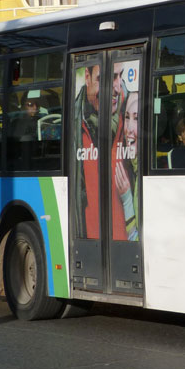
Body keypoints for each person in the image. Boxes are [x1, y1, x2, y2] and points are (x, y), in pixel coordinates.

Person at [74, 64, 101, 239]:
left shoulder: (126, 110)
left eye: (118, 77)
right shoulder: (74, 117)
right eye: (100, 79)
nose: (111, 89)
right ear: (87, 76)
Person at [114, 90, 139, 241]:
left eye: (136, 119)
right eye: (127, 118)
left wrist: (127, 200)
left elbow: (136, 240)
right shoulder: (130, 167)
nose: (128, 128)